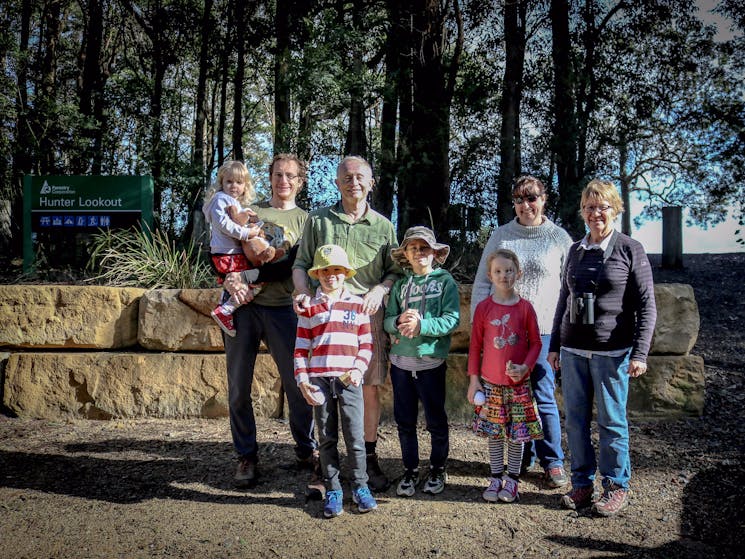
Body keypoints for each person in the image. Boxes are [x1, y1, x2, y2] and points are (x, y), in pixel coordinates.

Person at [548, 179, 657, 517]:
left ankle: (615, 486)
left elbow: (647, 305)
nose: (596, 213)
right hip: (573, 351)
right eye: (589, 207)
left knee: (611, 421)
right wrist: (554, 345)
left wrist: (640, 353)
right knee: (576, 422)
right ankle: (582, 485)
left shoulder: (630, 249)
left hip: (612, 353)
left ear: (615, 210)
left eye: (603, 207)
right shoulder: (576, 251)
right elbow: (563, 301)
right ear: (582, 212)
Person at [292, 155, 399, 492]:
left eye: (360, 177)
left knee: (367, 387)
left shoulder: (384, 226)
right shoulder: (319, 220)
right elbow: (301, 263)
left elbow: (395, 270)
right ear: (337, 183)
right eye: (347, 177)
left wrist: (381, 290)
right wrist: (302, 293)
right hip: (324, 319)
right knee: (322, 388)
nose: (354, 183)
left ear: (371, 182)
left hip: (364, 318)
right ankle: (325, 466)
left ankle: (366, 458)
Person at [220, 154, 318, 491]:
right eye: (278, 174)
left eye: (291, 176)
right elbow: (224, 251)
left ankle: (306, 449)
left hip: (284, 310)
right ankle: (246, 454)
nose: (283, 181)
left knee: (298, 384)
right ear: (270, 177)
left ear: (300, 181)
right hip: (243, 308)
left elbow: (291, 264)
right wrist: (231, 278)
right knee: (238, 386)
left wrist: (248, 271)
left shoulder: (309, 221)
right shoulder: (250, 212)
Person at [471, 175, 572, 488]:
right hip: (505, 331)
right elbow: (483, 282)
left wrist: (563, 333)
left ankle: (552, 461)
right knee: (510, 396)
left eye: (532, 198)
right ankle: (521, 456)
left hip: (542, 331)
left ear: (543, 199)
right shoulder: (502, 235)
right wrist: (483, 325)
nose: (525, 205)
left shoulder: (559, 238)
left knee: (541, 396)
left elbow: (570, 286)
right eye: (519, 199)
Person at [294, 244, 378, 518]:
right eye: (326, 271)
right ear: (317, 274)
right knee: (326, 438)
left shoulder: (358, 304)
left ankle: (360, 487)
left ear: (346, 273)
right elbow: (300, 348)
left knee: (355, 436)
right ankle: (333, 489)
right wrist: (303, 380)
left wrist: (358, 369)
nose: (332, 276)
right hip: (319, 380)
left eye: (338, 270)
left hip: (349, 379)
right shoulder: (309, 308)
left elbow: (366, 344)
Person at [383, 226, 460, 497]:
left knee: (435, 420)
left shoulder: (445, 281)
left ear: (434, 252)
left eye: (424, 247)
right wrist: (398, 322)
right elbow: (387, 318)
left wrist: (422, 325)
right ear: (406, 253)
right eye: (413, 248)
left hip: (430, 364)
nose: (419, 253)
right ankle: (410, 469)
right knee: (404, 421)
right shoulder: (401, 285)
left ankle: (438, 468)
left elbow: (452, 319)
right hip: (401, 364)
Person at [468, 249, 544, 504]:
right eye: (498, 271)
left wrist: (526, 368)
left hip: (519, 386)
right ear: (490, 276)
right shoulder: (483, 309)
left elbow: (536, 343)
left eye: (509, 270)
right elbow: (475, 347)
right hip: (490, 386)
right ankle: (495, 477)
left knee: (517, 434)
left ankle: (512, 480)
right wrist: (474, 380)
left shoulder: (525, 308)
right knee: (495, 433)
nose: (504, 275)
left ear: (518, 273)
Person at [202, 160, 265, 337]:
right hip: (227, 254)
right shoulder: (220, 199)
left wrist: (255, 225)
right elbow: (224, 225)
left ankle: (227, 305)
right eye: (229, 181)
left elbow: (237, 221)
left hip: (232, 253)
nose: (233, 186)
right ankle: (225, 310)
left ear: (245, 185)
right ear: (221, 182)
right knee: (251, 284)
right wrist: (247, 234)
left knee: (251, 284)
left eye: (238, 182)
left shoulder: (234, 203)